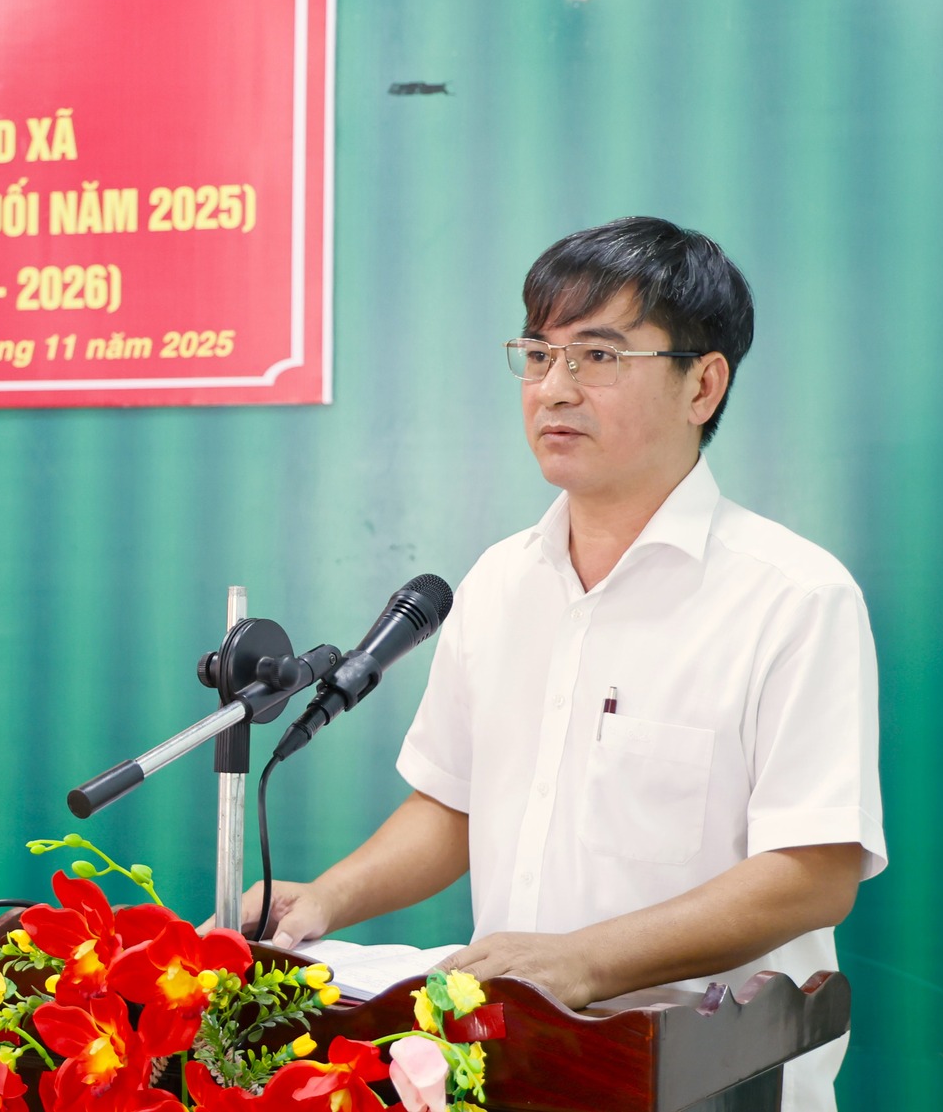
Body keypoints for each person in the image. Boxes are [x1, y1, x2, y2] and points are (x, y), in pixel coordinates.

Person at [238, 216, 886, 1112]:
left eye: (598, 356)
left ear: (703, 384)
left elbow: (812, 872)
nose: (554, 388)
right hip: (517, 1072)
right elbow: (453, 805)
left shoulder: (794, 596)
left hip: (709, 1081)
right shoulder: (501, 582)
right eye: (539, 354)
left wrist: (582, 961)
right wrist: (322, 899)